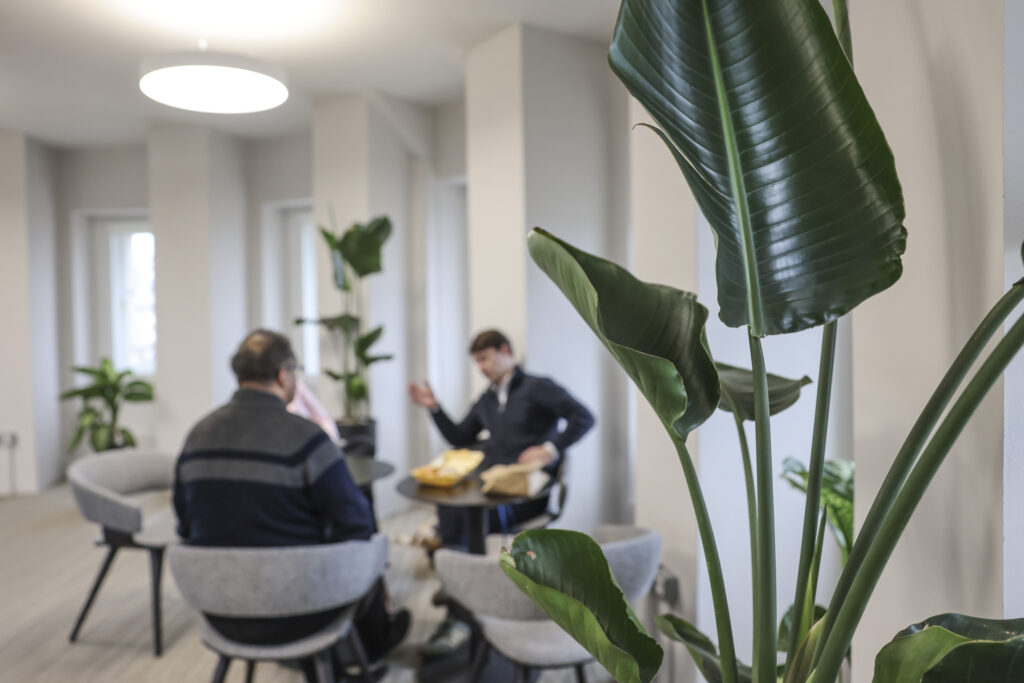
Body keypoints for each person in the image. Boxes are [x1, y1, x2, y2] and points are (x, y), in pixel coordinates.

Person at [173, 329, 408, 668]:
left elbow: (185, 523)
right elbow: (356, 524)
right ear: (284, 374)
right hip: (303, 611)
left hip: (222, 611)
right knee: (364, 545)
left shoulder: (197, 436)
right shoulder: (308, 439)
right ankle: (372, 646)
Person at [408, 329, 594, 658]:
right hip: (490, 491)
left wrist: (550, 448)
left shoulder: (538, 387)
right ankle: (461, 591)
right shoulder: (488, 399)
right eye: (476, 361)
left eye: (484, 358)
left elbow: (584, 417)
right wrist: (434, 407)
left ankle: (461, 608)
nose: (480, 366)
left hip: (522, 498)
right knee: (450, 508)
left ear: (505, 351)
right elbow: (459, 436)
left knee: (458, 519)